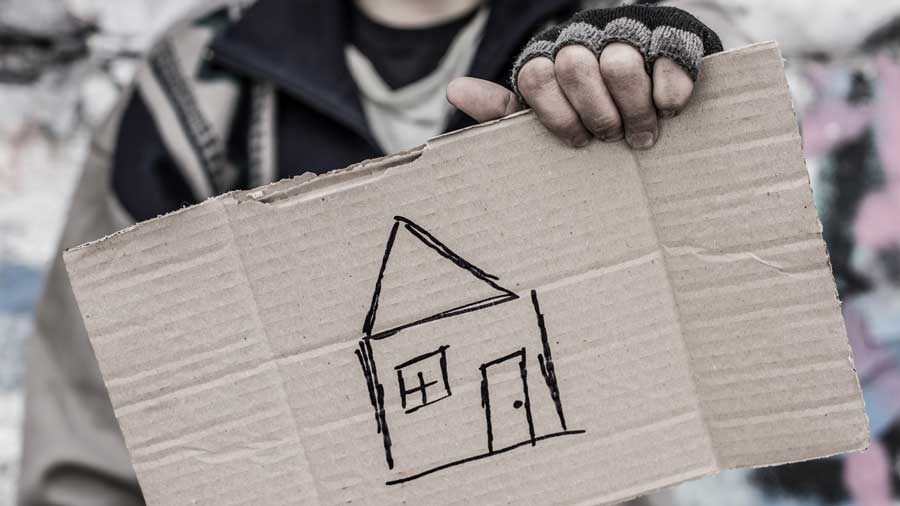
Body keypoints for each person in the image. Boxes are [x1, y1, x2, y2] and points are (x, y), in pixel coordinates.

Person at [17, 0, 733, 504]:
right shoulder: (203, 86)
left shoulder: (606, 42)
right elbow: (96, 440)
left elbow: (729, 287)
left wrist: (650, 108)